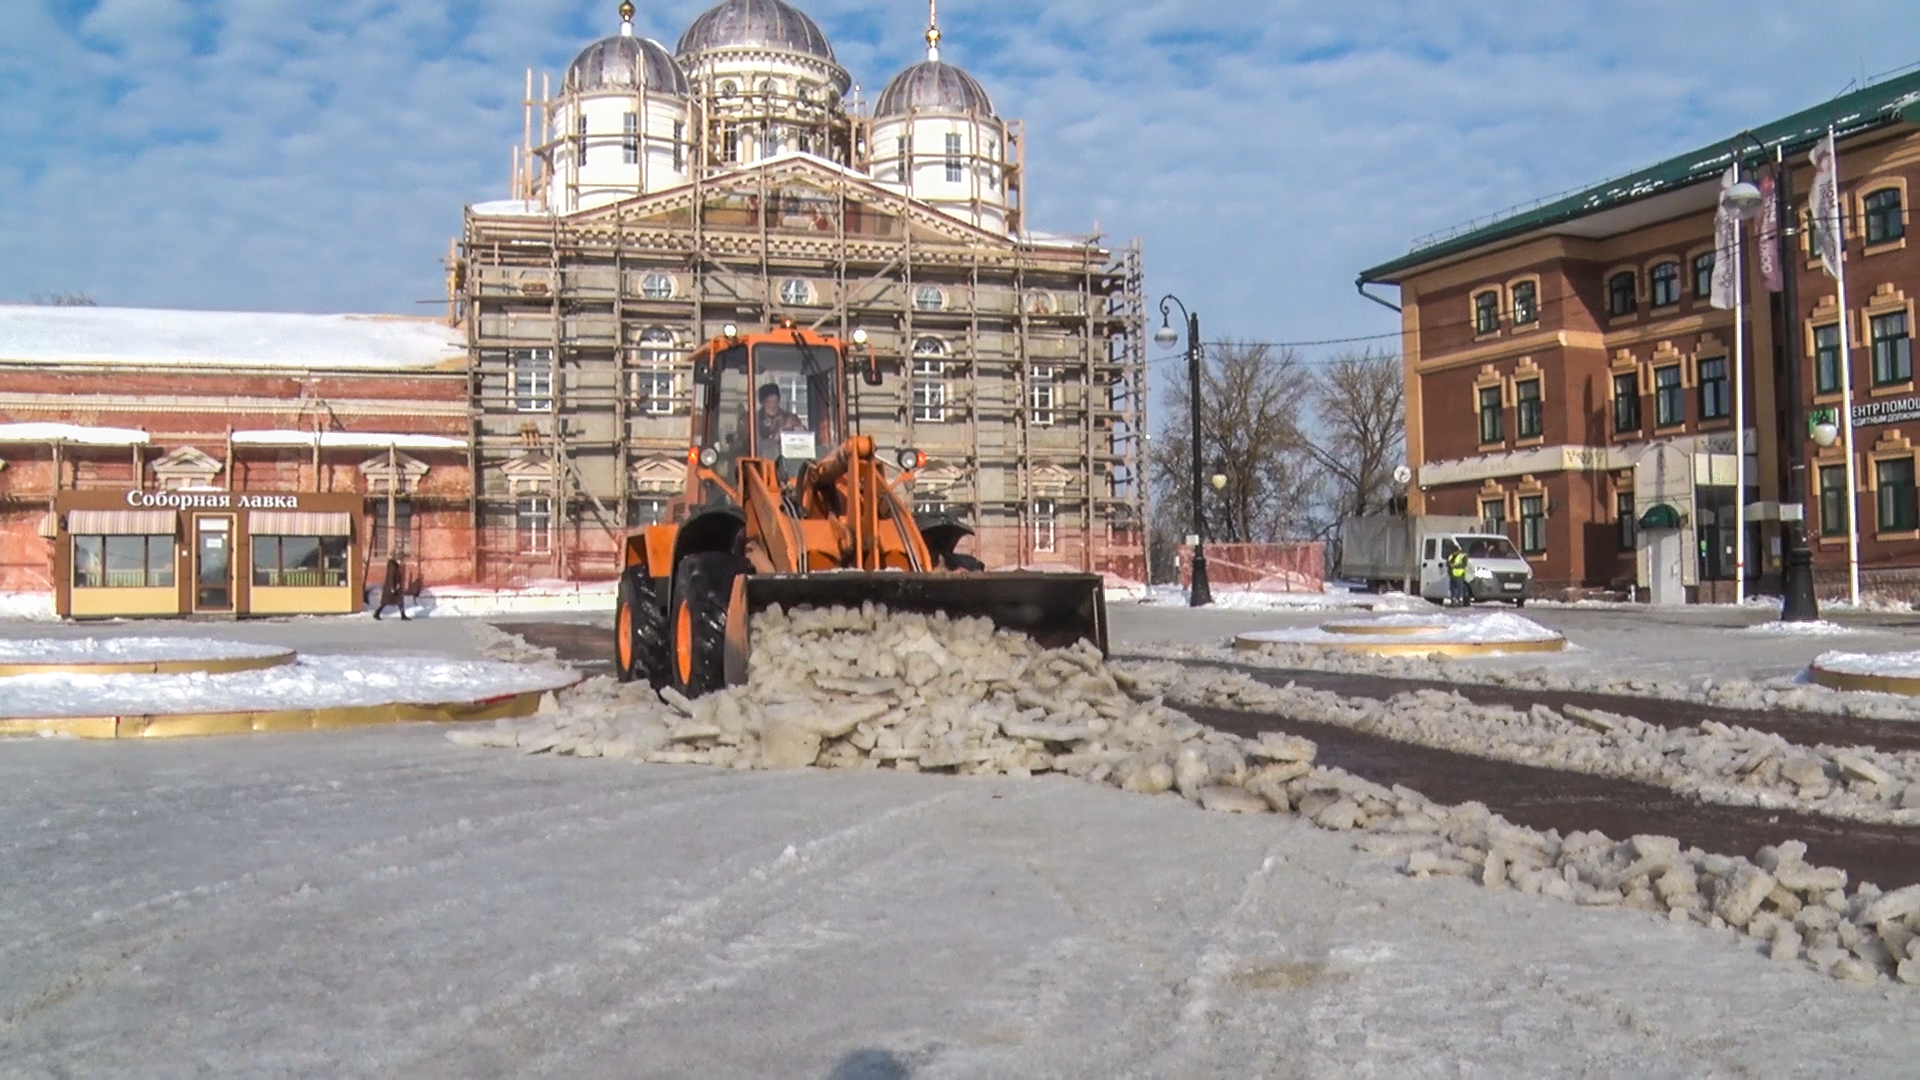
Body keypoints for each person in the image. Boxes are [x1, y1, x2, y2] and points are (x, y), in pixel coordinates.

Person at [755, 382, 806, 450]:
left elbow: (802, 442)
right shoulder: (752, 420)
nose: (773, 406)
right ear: (762, 403)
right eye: (769, 402)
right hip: (758, 458)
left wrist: (801, 433)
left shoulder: (791, 419)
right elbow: (743, 444)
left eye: (775, 401)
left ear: (779, 401)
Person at [373, 554, 410, 621]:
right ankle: (377, 613)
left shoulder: (396, 566)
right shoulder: (393, 566)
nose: (401, 561)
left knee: (400, 601)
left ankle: (403, 615)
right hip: (391, 588)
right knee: (385, 602)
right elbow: (391, 577)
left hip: (395, 587)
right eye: (400, 560)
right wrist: (392, 587)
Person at [1446, 543, 1471, 608]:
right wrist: (1449, 565)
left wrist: (1454, 565)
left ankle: (1460, 601)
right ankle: (1453, 600)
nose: (1453, 553)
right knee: (1452, 589)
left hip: (1459, 575)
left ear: (1457, 551)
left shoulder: (1463, 556)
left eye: (1454, 551)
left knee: (1460, 589)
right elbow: (1447, 562)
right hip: (1452, 575)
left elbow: (1464, 565)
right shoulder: (1451, 556)